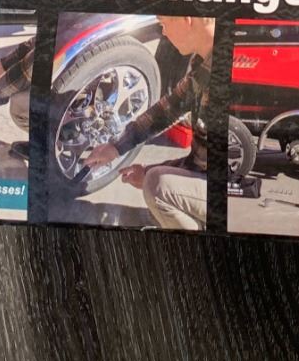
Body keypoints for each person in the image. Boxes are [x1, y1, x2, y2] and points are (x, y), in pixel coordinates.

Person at [82, 15, 213, 231]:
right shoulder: (203, 65)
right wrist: (116, 147)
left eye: (164, 23)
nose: (164, 33)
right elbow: (165, 111)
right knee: (156, 182)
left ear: (187, 19)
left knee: (159, 187)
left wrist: (152, 174)